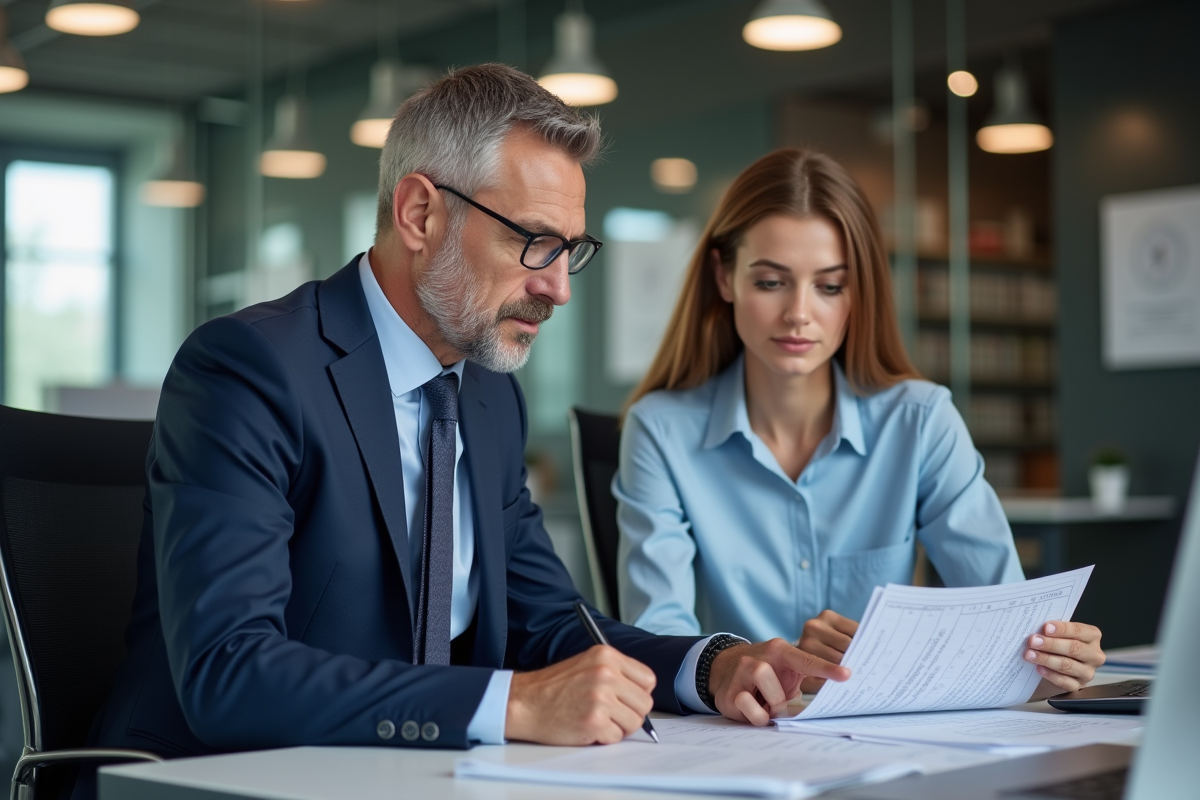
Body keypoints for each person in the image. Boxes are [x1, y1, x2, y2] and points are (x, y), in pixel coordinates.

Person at [77, 68, 848, 800]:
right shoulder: (250, 370)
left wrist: (710, 668)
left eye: (570, 250)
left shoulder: (487, 397)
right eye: (533, 240)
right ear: (420, 214)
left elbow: (551, 625)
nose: (558, 288)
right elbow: (230, 672)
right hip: (222, 780)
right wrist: (513, 704)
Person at [616, 148, 1105, 697]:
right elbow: (656, 642)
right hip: (735, 732)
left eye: (829, 286)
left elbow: (1006, 629)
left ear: (858, 292)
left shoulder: (920, 422)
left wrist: (1052, 659)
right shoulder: (659, 431)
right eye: (771, 282)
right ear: (724, 276)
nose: (799, 313)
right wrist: (751, 666)